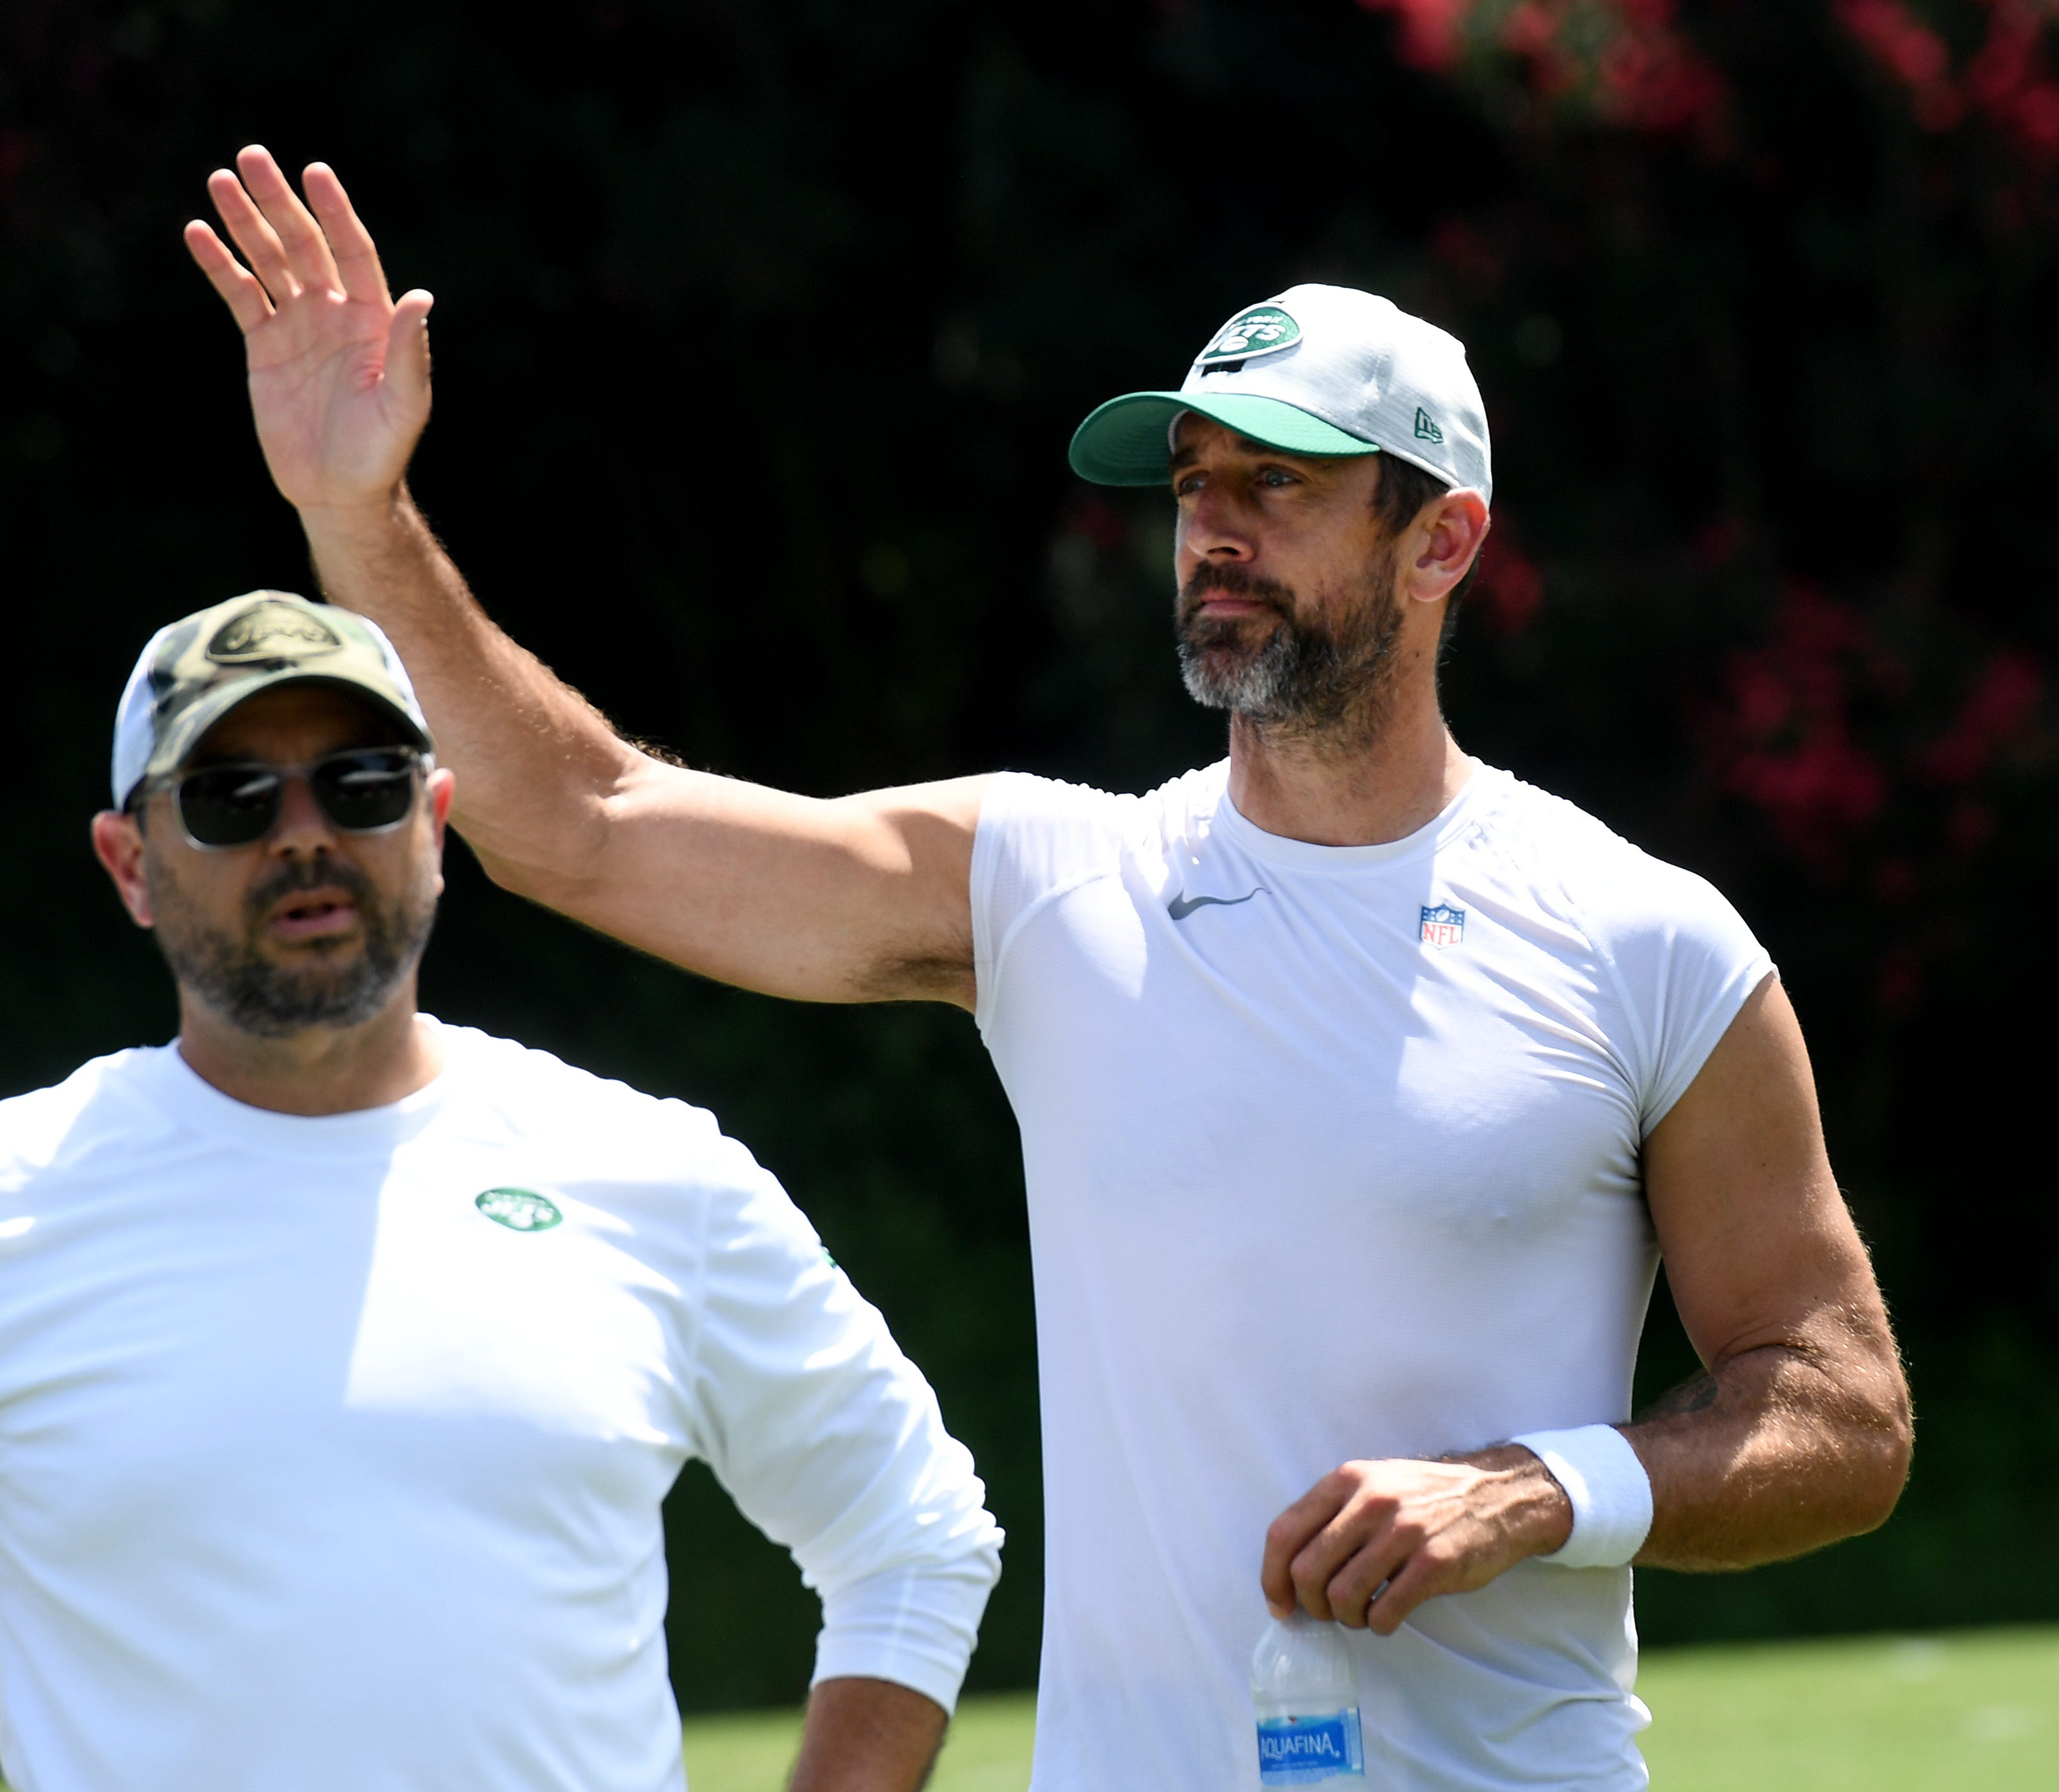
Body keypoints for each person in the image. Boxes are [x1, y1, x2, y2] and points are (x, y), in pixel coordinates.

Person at [184, 148, 1914, 1791]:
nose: (1215, 530)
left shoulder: (1645, 940)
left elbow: (1841, 1409)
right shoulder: (1047, 881)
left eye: (1281, 486)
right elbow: (586, 819)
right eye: (1195, 487)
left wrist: (1546, 1490)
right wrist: (362, 510)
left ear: (1441, 541)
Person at [0, 589, 1002, 1792]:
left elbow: (916, 1536)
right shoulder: (23, 1197)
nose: (305, 837)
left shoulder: (648, 1174)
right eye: (231, 800)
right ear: (130, 864)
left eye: (361, 784)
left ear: (434, 818)